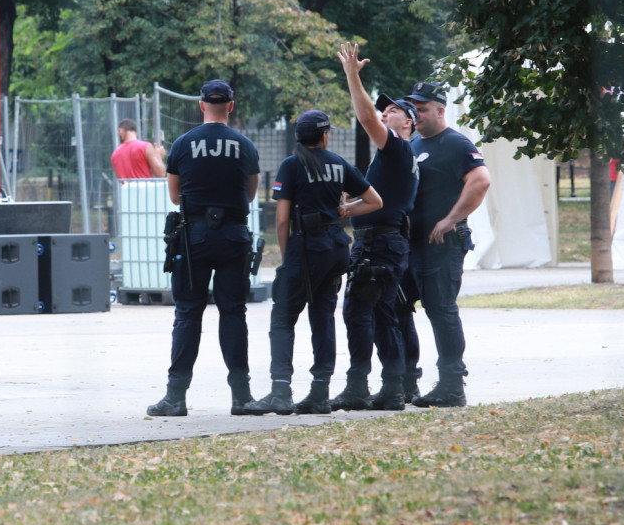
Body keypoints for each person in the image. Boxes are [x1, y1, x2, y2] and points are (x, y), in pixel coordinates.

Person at [245, 110, 382, 415]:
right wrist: (345, 210)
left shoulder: (292, 165)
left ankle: (280, 391)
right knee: (323, 316)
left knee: (282, 317)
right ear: (324, 135)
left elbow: (282, 220)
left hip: (305, 247)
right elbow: (375, 201)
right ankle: (320, 393)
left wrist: (285, 258)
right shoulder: (338, 163)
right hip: (335, 248)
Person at [145, 80, 261, 417]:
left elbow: (174, 196)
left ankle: (175, 397)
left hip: (193, 239)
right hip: (233, 237)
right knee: (233, 313)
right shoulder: (245, 145)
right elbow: (250, 195)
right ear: (231, 105)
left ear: (200, 105)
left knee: (187, 315)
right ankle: (242, 396)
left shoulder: (182, 144)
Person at [331, 42, 419, 412]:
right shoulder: (394, 158)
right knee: (382, 314)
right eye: (385, 108)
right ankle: (393, 389)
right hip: (384, 243)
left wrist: (352, 75)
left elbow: (366, 119)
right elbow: (377, 201)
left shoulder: (398, 149)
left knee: (357, 312)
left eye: (394, 110)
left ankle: (359, 387)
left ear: (408, 123)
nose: (385, 113)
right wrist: (347, 209)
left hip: (378, 246)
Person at [401, 81, 491, 407]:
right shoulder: (414, 144)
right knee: (398, 306)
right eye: (414, 108)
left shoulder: (455, 144)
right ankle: (406, 381)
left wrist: (451, 218)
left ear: (441, 110)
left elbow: (481, 180)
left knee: (441, 312)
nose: (417, 114)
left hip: (441, 245)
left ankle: (452, 386)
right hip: (412, 245)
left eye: (423, 109)